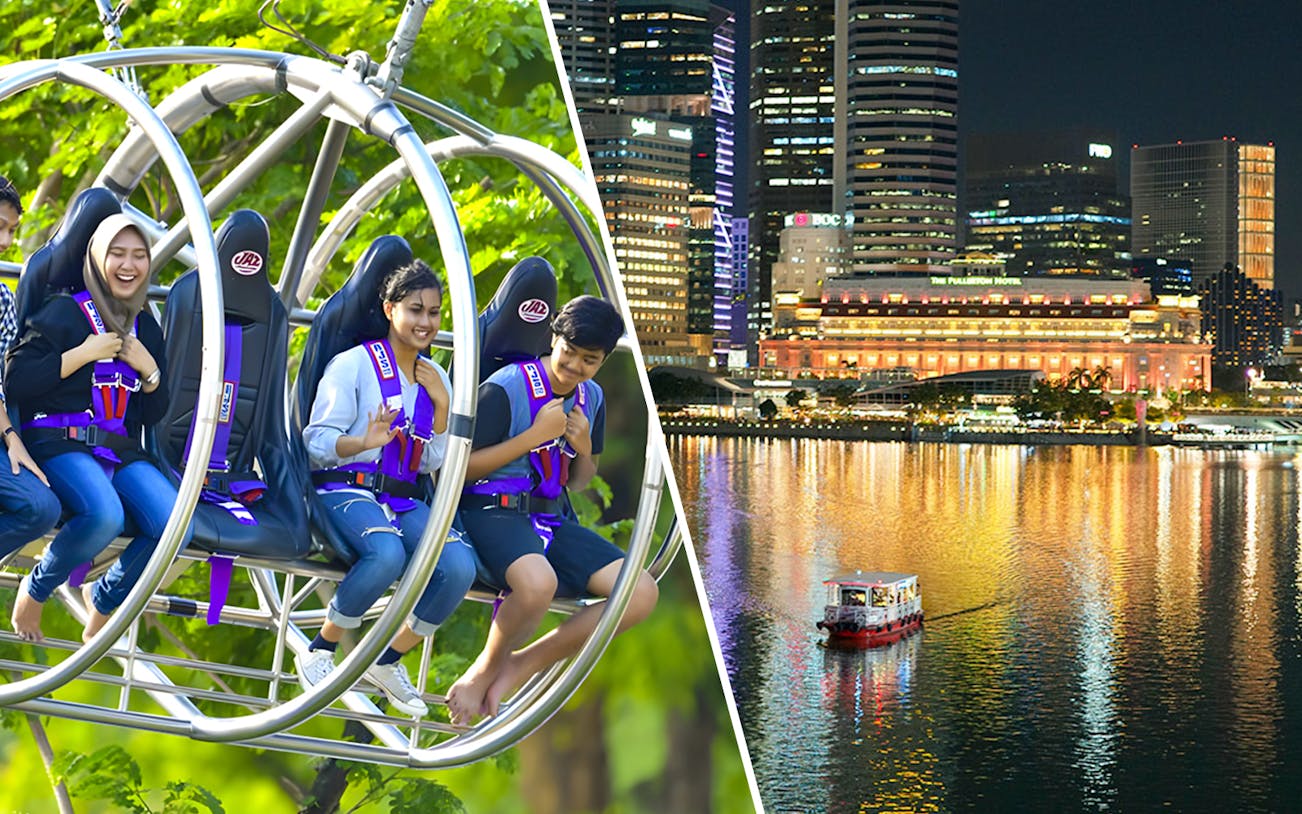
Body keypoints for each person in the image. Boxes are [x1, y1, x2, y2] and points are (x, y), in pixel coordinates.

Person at [447, 295, 659, 725]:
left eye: (590, 360)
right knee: (538, 584)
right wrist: (533, 437)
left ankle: (522, 664)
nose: (575, 367)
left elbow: (579, 481)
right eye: (569, 352)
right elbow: (457, 471)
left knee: (641, 593)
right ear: (553, 339)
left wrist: (582, 448)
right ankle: (483, 670)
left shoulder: (590, 399)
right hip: (492, 506)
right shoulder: (506, 388)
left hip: (548, 516)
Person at [301, 259, 476, 718]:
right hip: (346, 486)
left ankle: (387, 659)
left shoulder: (435, 377)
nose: (426, 322)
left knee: (459, 565)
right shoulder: (353, 365)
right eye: (416, 310)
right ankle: (321, 648)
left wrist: (441, 403)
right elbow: (316, 442)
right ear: (389, 309)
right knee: (387, 554)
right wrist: (363, 441)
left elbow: (434, 459)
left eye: (435, 313)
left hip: (400, 495)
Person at [7, 214, 187, 642]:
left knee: (176, 526)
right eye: (117, 254)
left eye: (139, 256)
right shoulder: (63, 312)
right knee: (105, 515)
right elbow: (17, 380)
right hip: (58, 439)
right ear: (96, 259)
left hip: (116, 447)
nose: (129, 265)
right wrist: (82, 354)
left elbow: (151, 412)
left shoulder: (145, 325)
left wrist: (150, 373)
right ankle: (35, 589)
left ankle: (103, 598)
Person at [0, 175, 63, 580]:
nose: (5, 242)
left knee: (41, 507)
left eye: (10, 230)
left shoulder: (4, 300)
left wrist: (12, 438)